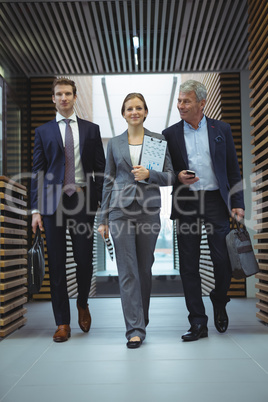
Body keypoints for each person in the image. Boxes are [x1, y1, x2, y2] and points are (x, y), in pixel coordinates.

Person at [163, 80, 245, 342]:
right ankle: (198, 321)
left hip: (215, 202)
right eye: (179, 101)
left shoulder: (221, 129)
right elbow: (166, 171)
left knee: (223, 260)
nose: (181, 106)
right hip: (187, 203)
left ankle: (219, 298)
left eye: (186, 101)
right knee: (189, 265)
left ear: (201, 103)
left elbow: (232, 169)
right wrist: (178, 176)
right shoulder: (170, 134)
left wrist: (238, 203)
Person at [31, 78, 105, 342]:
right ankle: (62, 322)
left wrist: (99, 203)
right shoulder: (43, 132)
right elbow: (37, 172)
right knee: (57, 264)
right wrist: (35, 210)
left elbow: (100, 169)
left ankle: (82, 302)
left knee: (84, 260)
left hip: (82, 201)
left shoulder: (91, 130)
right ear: (53, 98)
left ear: (75, 97)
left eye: (67, 94)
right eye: (58, 94)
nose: (63, 98)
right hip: (52, 204)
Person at [98, 93, 175, 348]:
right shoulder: (115, 143)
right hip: (120, 209)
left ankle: (141, 318)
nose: (134, 112)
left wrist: (149, 174)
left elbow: (170, 176)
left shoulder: (157, 140)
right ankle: (134, 328)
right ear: (123, 113)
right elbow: (108, 181)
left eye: (138, 108)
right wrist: (103, 218)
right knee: (127, 270)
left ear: (145, 112)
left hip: (148, 208)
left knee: (144, 269)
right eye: (129, 108)